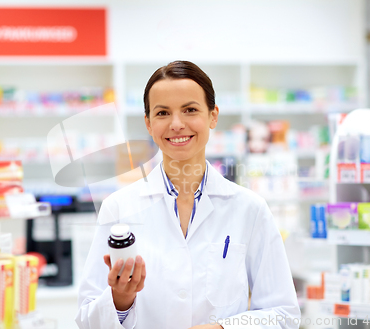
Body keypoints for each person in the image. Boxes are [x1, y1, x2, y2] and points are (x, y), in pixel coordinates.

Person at [76, 61, 300, 329]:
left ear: (213, 116)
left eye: (190, 110)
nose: (177, 124)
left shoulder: (249, 209)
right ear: (148, 123)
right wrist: (120, 300)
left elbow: (284, 314)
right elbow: (87, 319)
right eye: (162, 113)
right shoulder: (119, 208)